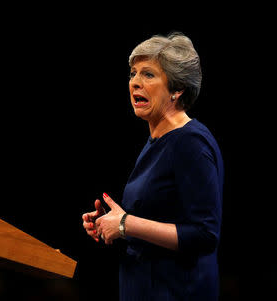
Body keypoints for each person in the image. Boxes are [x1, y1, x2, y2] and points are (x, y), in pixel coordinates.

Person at [82, 32, 224, 300]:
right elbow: (156, 224)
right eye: (133, 73)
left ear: (177, 88)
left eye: (148, 75)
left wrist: (126, 223)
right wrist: (111, 225)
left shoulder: (190, 143)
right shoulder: (157, 140)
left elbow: (205, 235)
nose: (135, 82)